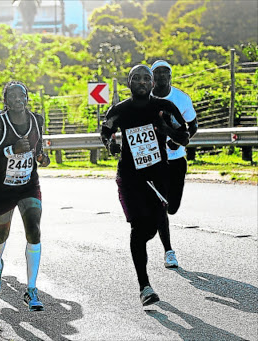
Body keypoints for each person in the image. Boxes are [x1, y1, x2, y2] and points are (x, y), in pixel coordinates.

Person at [100, 65, 190, 306]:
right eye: (136, 78)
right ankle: (145, 286)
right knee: (139, 229)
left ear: (152, 84)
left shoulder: (164, 108)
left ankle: (154, 263)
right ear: (129, 82)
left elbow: (185, 137)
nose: (141, 82)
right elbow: (106, 130)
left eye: (145, 78)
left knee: (152, 228)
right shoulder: (120, 110)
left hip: (159, 175)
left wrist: (167, 129)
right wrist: (110, 144)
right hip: (130, 177)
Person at [0, 81, 50, 311]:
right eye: (13, 96)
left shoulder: (37, 120)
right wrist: (9, 151)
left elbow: (37, 148)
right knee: (1, 234)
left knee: (34, 230)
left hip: (28, 184)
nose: (19, 100)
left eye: (22, 95)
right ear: (5, 101)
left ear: (27, 98)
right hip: (3, 188)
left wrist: (41, 157)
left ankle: (32, 289)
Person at [151, 60, 198, 269]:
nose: (161, 76)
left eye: (165, 72)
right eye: (157, 73)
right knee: (160, 206)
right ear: (152, 77)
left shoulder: (181, 98)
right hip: (154, 161)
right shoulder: (144, 99)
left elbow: (193, 125)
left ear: (170, 76)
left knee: (172, 207)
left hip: (177, 158)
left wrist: (178, 139)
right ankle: (169, 252)